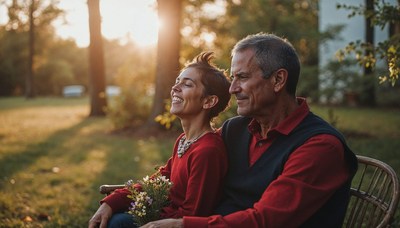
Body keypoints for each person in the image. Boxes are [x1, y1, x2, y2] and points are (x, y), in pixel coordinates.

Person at [141, 33, 358, 228]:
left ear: (278, 80)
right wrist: (118, 201)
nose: (232, 88)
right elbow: (186, 162)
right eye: (233, 77)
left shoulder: (319, 146)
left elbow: (265, 221)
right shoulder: (235, 129)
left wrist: (183, 225)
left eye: (242, 77)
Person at [88, 52, 231, 228]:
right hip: (163, 215)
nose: (175, 87)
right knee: (113, 218)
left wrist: (150, 217)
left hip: (172, 223)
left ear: (209, 101)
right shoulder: (184, 141)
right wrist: (111, 202)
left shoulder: (207, 151)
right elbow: (157, 183)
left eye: (187, 84)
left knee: (117, 223)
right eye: (177, 81)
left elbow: (192, 215)